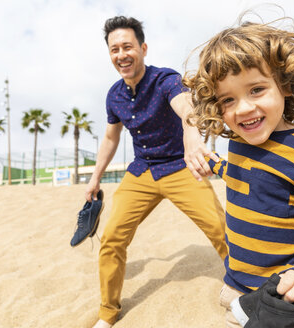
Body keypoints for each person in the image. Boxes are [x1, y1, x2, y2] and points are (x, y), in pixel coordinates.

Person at [183, 18, 294, 327]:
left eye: (256, 89)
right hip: (241, 291)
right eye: (228, 99)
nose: (242, 108)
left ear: (284, 85)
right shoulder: (240, 144)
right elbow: (244, 177)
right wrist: (212, 164)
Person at [85, 16, 227, 328]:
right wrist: (95, 177)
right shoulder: (114, 95)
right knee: (111, 239)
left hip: (180, 166)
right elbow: (111, 137)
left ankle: (250, 287)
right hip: (142, 172)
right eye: (114, 49)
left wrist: (192, 136)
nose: (121, 54)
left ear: (142, 48)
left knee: (220, 229)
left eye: (127, 46)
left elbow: (186, 107)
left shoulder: (165, 79)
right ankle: (108, 313)